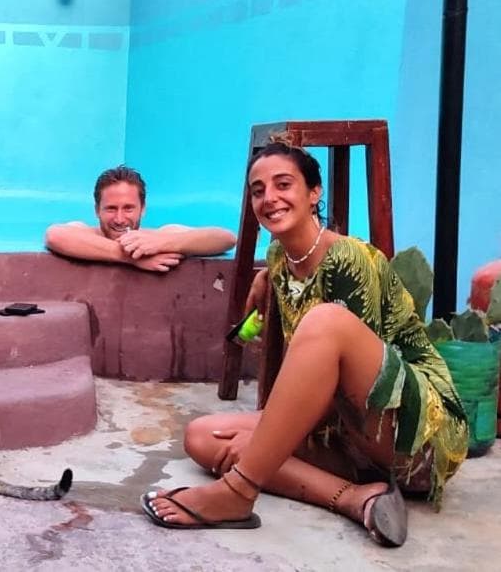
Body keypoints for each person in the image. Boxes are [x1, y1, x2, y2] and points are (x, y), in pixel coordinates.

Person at [141, 142, 468, 547]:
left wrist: (261, 445)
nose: (269, 198)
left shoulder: (349, 259)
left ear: (314, 193)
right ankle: (355, 499)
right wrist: (266, 278)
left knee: (325, 322)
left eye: (283, 184)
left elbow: (361, 386)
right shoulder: (279, 258)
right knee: (202, 436)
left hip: (415, 435)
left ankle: (238, 492)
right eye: (258, 190)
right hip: (351, 441)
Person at [44, 165, 236, 272]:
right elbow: (54, 235)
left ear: (143, 209)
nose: (119, 219)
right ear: (97, 210)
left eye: (128, 208)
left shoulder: (159, 237)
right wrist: (129, 257)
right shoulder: (85, 233)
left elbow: (227, 238)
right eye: (111, 208)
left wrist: (162, 244)